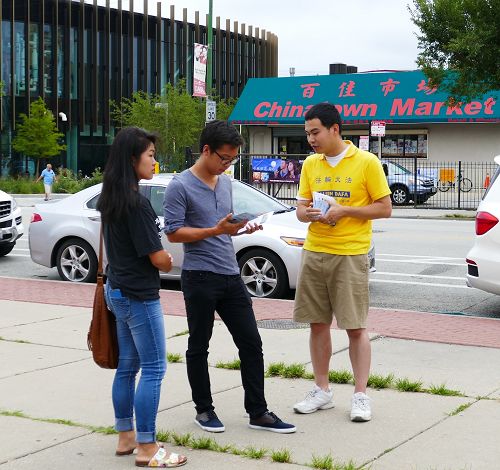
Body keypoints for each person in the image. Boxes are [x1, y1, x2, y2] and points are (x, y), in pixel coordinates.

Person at [163, 120, 296, 434]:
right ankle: (204, 410)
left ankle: (258, 412)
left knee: (251, 343)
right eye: (223, 159)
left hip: (230, 274)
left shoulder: (224, 183)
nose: (226, 166)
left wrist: (239, 227)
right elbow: (173, 233)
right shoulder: (179, 185)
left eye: (232, 160)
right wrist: (215, 230)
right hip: (199, 277)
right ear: (206, 150)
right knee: (199, 345)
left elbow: (224, 227)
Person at [292, 103, 392, 422]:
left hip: (350, 253)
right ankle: (322, 390)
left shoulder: (366, 162)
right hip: (315, 249)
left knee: (355, 327)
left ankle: (360, 395)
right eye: (307, 133)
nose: (311, 139)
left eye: (315, 132)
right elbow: (299, 208)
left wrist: (344, 211)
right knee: (317, 324)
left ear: (335, 128)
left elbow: (384, 208)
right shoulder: (311, 164)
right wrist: (307, 214)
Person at [97, 127, 187, 468]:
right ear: (133, 159)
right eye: (150, 155)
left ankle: (126, 437)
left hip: (117, 290)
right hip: (139, 295)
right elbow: (157, 257)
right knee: (153, 368)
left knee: (127, 368)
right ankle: (148, 448)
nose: (154, 161)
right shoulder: (138, 205)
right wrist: (168, 258)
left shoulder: (112, 198)